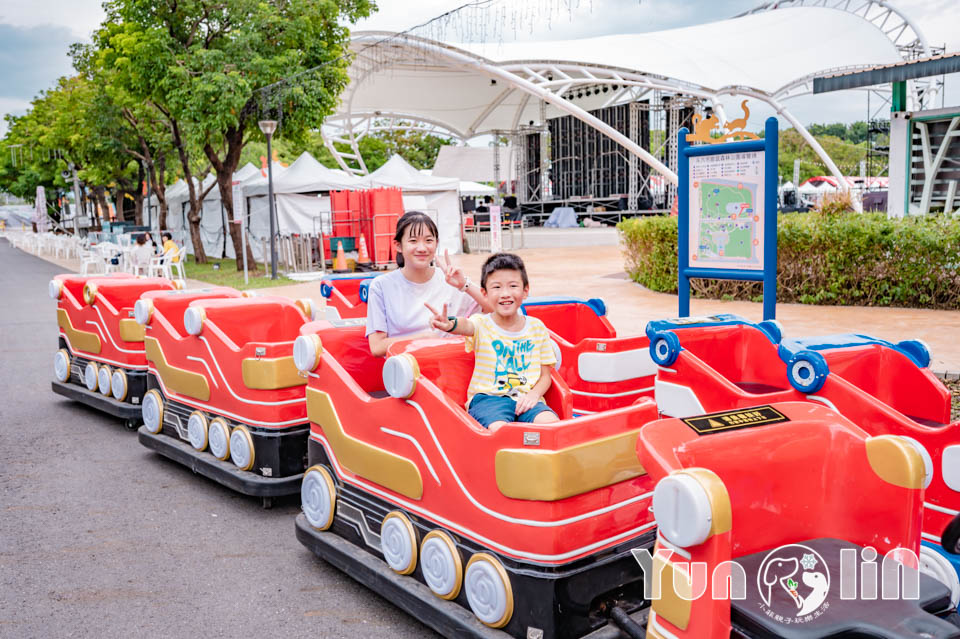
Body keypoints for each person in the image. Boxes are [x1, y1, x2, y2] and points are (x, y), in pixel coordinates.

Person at [426, 253, 559, 430]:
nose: (505, 294)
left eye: (513, 286)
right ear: (485, 293)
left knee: (551, 426)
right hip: (489, 400)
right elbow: (465, 325)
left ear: (525, 291)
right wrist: (449, 324)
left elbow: (545, 376)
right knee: (501, 432)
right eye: (496, 287)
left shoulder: (537, 327)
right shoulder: (481, 323)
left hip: (526, 399)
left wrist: (534, 395)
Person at [366, 211, 492, 357]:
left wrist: (464, 285)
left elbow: (495, 311)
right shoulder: (381, 286)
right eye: (413, 241)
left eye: (428, 240)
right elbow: (376, 346)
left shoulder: (451, 280)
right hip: (406, 370)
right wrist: (422, 340)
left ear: (436, 243)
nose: (422, 248)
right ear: (398, 245)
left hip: (450, 367)